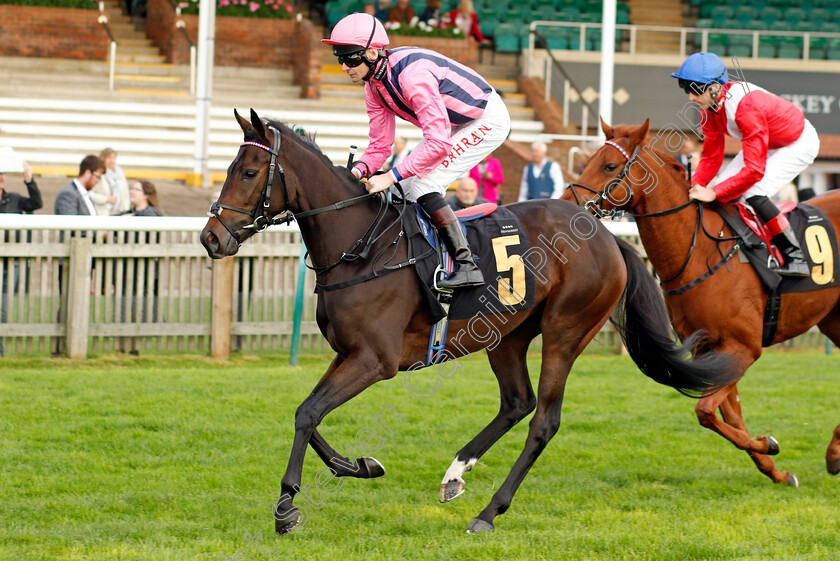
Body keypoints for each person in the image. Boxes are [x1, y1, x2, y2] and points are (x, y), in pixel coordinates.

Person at [323, 13, 511, 289]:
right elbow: (379, 146)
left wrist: (389, 177)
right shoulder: (373, 87)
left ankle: (467, 265)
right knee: (406, 188)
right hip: (453, 123)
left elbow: (438, 144)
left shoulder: (412, 77)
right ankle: (420, 260)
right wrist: (355, 171)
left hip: (485, 118)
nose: (344, 67)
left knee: (423, 185)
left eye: (350, 58)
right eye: (340, 59)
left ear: (372, 53)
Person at [672, 51, 819, 277]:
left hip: (798, 142)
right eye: (685, 89)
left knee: (753, 191)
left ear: (715, 87)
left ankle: (794, 256)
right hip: (769, 140)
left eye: (695, 89)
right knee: (721, 188)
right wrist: (694, 187)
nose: (690, 97)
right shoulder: (709, 109)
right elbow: (711, 158)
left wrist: (713, 193)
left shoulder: (747, 107)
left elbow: (754, 170)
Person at [0, 159, 42, 357]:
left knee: (4, 304)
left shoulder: (14, 198)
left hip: (12, 260)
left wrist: (29, 180)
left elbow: (36, 203)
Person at [100, 148, 131, 215]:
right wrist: (106, 199)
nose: (112, 161)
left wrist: (126, 209)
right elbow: (91, 194)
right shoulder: (99, 174)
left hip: (120, 212)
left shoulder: (120, 173)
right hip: (104, 213)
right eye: (109, 158)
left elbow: (126, 194)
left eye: (113, 158)